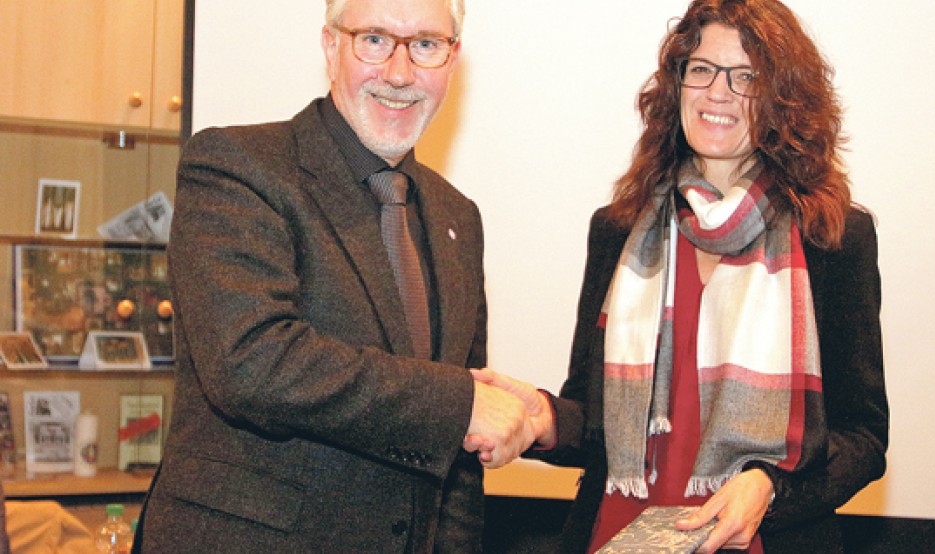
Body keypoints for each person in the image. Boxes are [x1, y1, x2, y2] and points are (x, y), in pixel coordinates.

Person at [473, 0, 888, 551]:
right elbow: (594, 425)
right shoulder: (619, 230)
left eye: (747, 77)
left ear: (782, 98)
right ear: (677, 85)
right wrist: (543, 420)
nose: (719, 92)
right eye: (702, 70)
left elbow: (863, 439)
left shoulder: (830, 237)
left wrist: (767, 486)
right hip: (615, 535)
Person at [135, 0, 535, 552]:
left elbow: (457, 460)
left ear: (452, 58)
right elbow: (252, 362)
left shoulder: (457, 216)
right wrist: (460, 402)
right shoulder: (237, 164)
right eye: (374, 40)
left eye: (425, 44)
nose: (399, 73)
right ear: (330, 46)